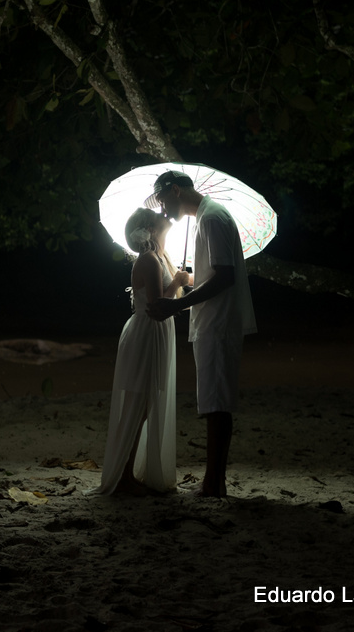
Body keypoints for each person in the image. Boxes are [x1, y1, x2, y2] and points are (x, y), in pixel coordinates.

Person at [147, 171, 256, 498]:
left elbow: (225, 277)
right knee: (213, 400)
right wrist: (186, 279)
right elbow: (213, 274)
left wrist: (178, 306)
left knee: (217, 402)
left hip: (218, 324)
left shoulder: (211, 218)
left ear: (176, 190)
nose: (164, 212)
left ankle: (213, 484)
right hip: (212, 322)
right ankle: (214, 481)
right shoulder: (207, 217)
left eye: (164, 202)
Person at [91, 208, 192, 496]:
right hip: (147, 331)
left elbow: (177, 295)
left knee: (147, 403)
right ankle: (122, 475)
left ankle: (127, 472)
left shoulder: (162, 257)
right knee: (139, 401)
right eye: (157, 214)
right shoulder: (147, 260)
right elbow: (160, 304)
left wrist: (185, 279)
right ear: (149, 226)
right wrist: (179, 282)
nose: (165, 215)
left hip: (157, 331)